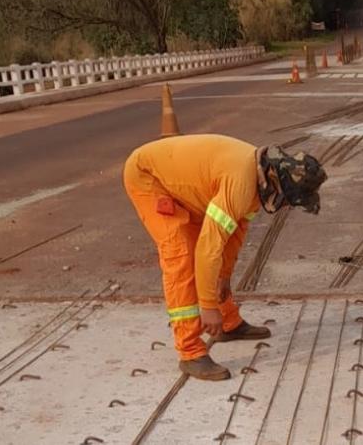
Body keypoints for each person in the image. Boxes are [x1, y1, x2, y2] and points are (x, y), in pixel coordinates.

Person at [123, 134, 327, 380]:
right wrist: (208, 307)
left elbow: (234, 234)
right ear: (277, 183)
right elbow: (208, 249)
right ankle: (190, 351)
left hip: (187, 184)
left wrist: (224, 278)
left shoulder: (257, 179)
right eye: (288, 201)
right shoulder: (240, 184)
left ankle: (228, 323)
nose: (285, 206)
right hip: (148, 177)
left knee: (211, 247)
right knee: (182, 253)